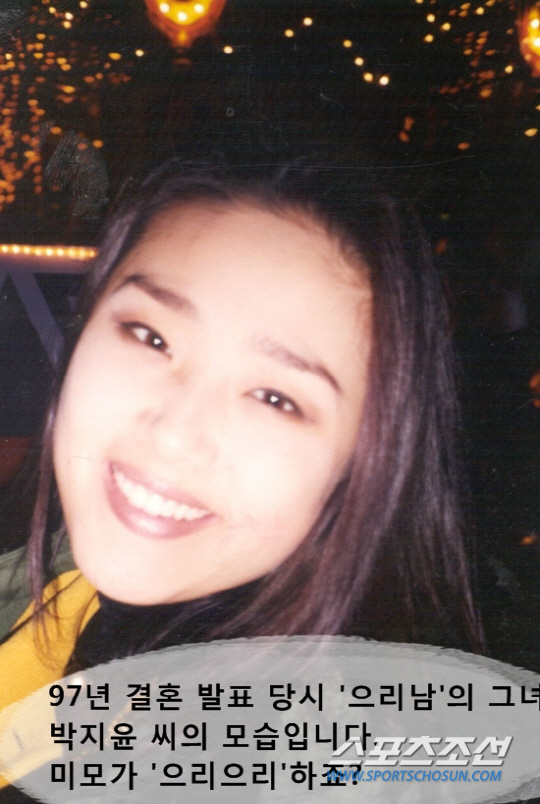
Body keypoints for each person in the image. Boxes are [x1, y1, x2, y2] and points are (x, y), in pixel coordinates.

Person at [0, 155, 482, 709]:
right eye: (151, 336)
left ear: (368, 461)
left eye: (275, 399)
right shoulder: (54, 590)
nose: (174, 435)